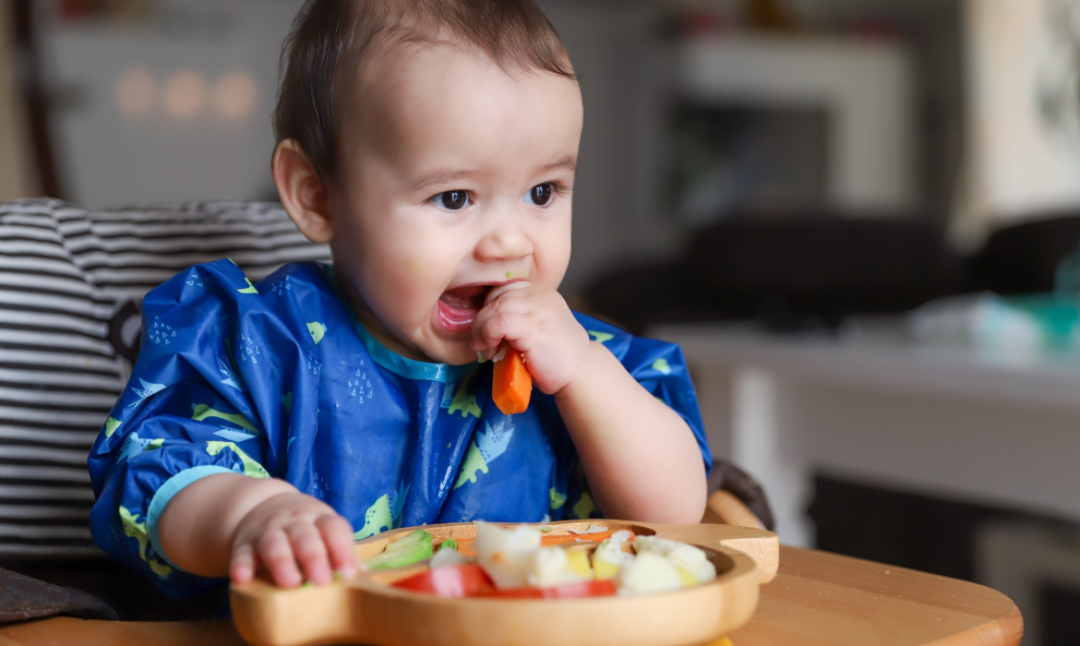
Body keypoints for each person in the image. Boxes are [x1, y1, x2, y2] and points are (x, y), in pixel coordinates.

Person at [88, 0, 711, 597]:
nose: (510, 242)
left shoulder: (586, 363)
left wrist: (584, 375)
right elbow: (159, 480)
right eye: (454, 198)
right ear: (317, 196)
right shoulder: (257, 344)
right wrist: (254, 516)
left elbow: (678, 515)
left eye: (543, 192)